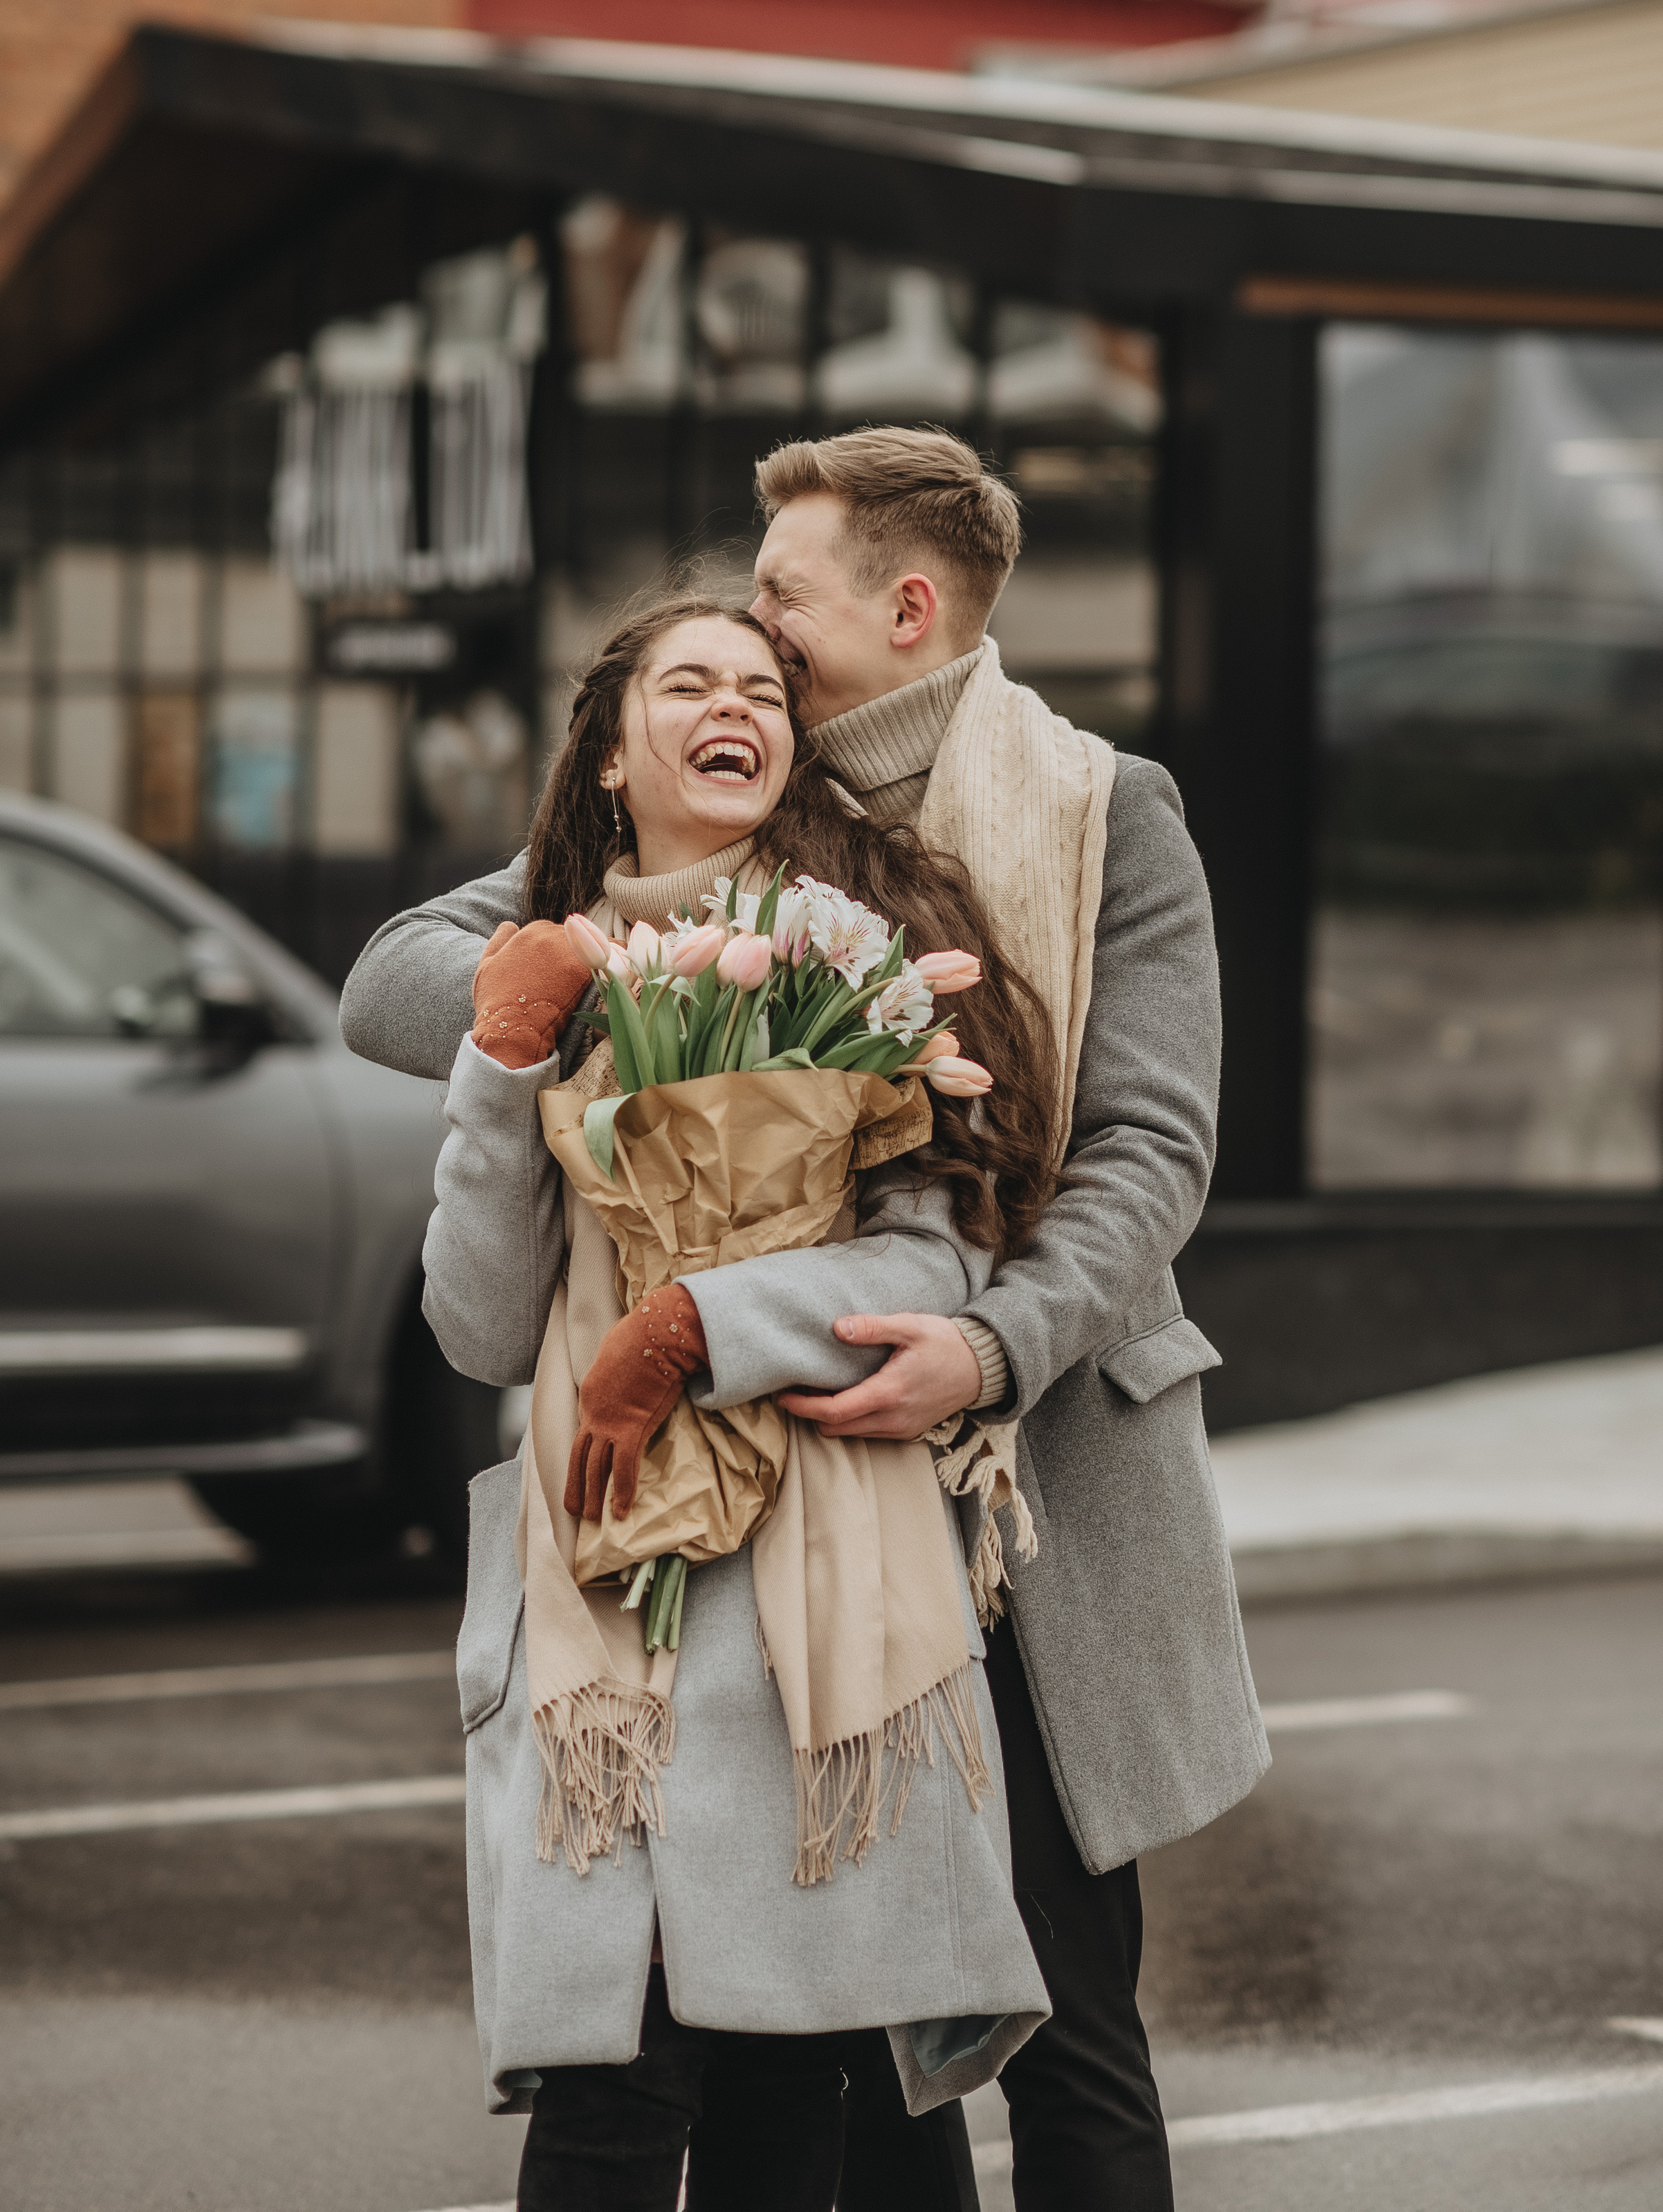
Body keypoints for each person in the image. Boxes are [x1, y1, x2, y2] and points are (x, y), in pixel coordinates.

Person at [342, 429, 1271, 2212]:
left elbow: (1151, 1148)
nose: (742, 626)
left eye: (778, 595)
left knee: (1066, 2021)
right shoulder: (721, 815)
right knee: (829, 2025)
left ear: (902, 605)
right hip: (768, 1467)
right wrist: (639, 976)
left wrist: (985, 1345)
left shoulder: (1092, 809)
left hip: (1028, 1463)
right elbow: (401, 974)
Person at [428, 592, 1055, 2212]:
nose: (739, 707)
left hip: (811, 1602)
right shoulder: (554, 973)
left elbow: (931, 1267)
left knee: (789, 2100)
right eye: (689, 685)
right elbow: (481, 1325)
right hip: (604, 1605)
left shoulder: (869, 971)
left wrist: (699, 1319)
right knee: (609, 2106)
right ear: (613, 752)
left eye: (765, 688)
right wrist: (502, 1072)